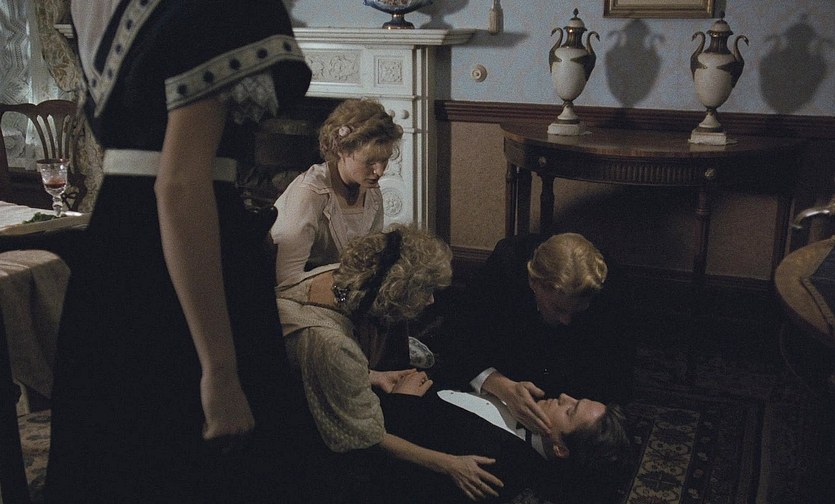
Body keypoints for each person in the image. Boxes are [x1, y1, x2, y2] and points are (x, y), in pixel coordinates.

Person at [47, 2, 311, 503]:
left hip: (114, 241)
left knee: (117, 451)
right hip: (185, 250)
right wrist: (220, 371)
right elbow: (180, 184)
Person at [277, 224, 506, 503]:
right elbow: (367, 439)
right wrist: (451, 465)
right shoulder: (332, 344)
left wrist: (370, 375)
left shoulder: (341, 275)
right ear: (396, 292)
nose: (432, 300)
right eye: (427, 290)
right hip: (303, 443)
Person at [432, 232, 634, 439]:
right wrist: (499, 385)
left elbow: (617, 381)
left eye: (578, 310)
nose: (567, 321)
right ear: (533, 282)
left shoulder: (611, 290)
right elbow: (457, 337)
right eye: (558, 309)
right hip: (503, 374)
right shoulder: (505, 268)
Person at [377, 380, 632, 504]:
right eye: (575, 400)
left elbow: (404, 471)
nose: (564, 396)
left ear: (560, 449)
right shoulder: (537, 396)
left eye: (569, 411)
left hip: (385, 406)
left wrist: (402, 401)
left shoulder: (496, 465)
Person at [270, 98, 403, 287]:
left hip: (345, 288)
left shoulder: (371, 192)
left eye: (385, 160)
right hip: (299, 292)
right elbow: (287, 280)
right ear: (341, 150)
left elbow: (368, 259)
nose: (380, 171)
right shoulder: (310, 194)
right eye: (370, 162)